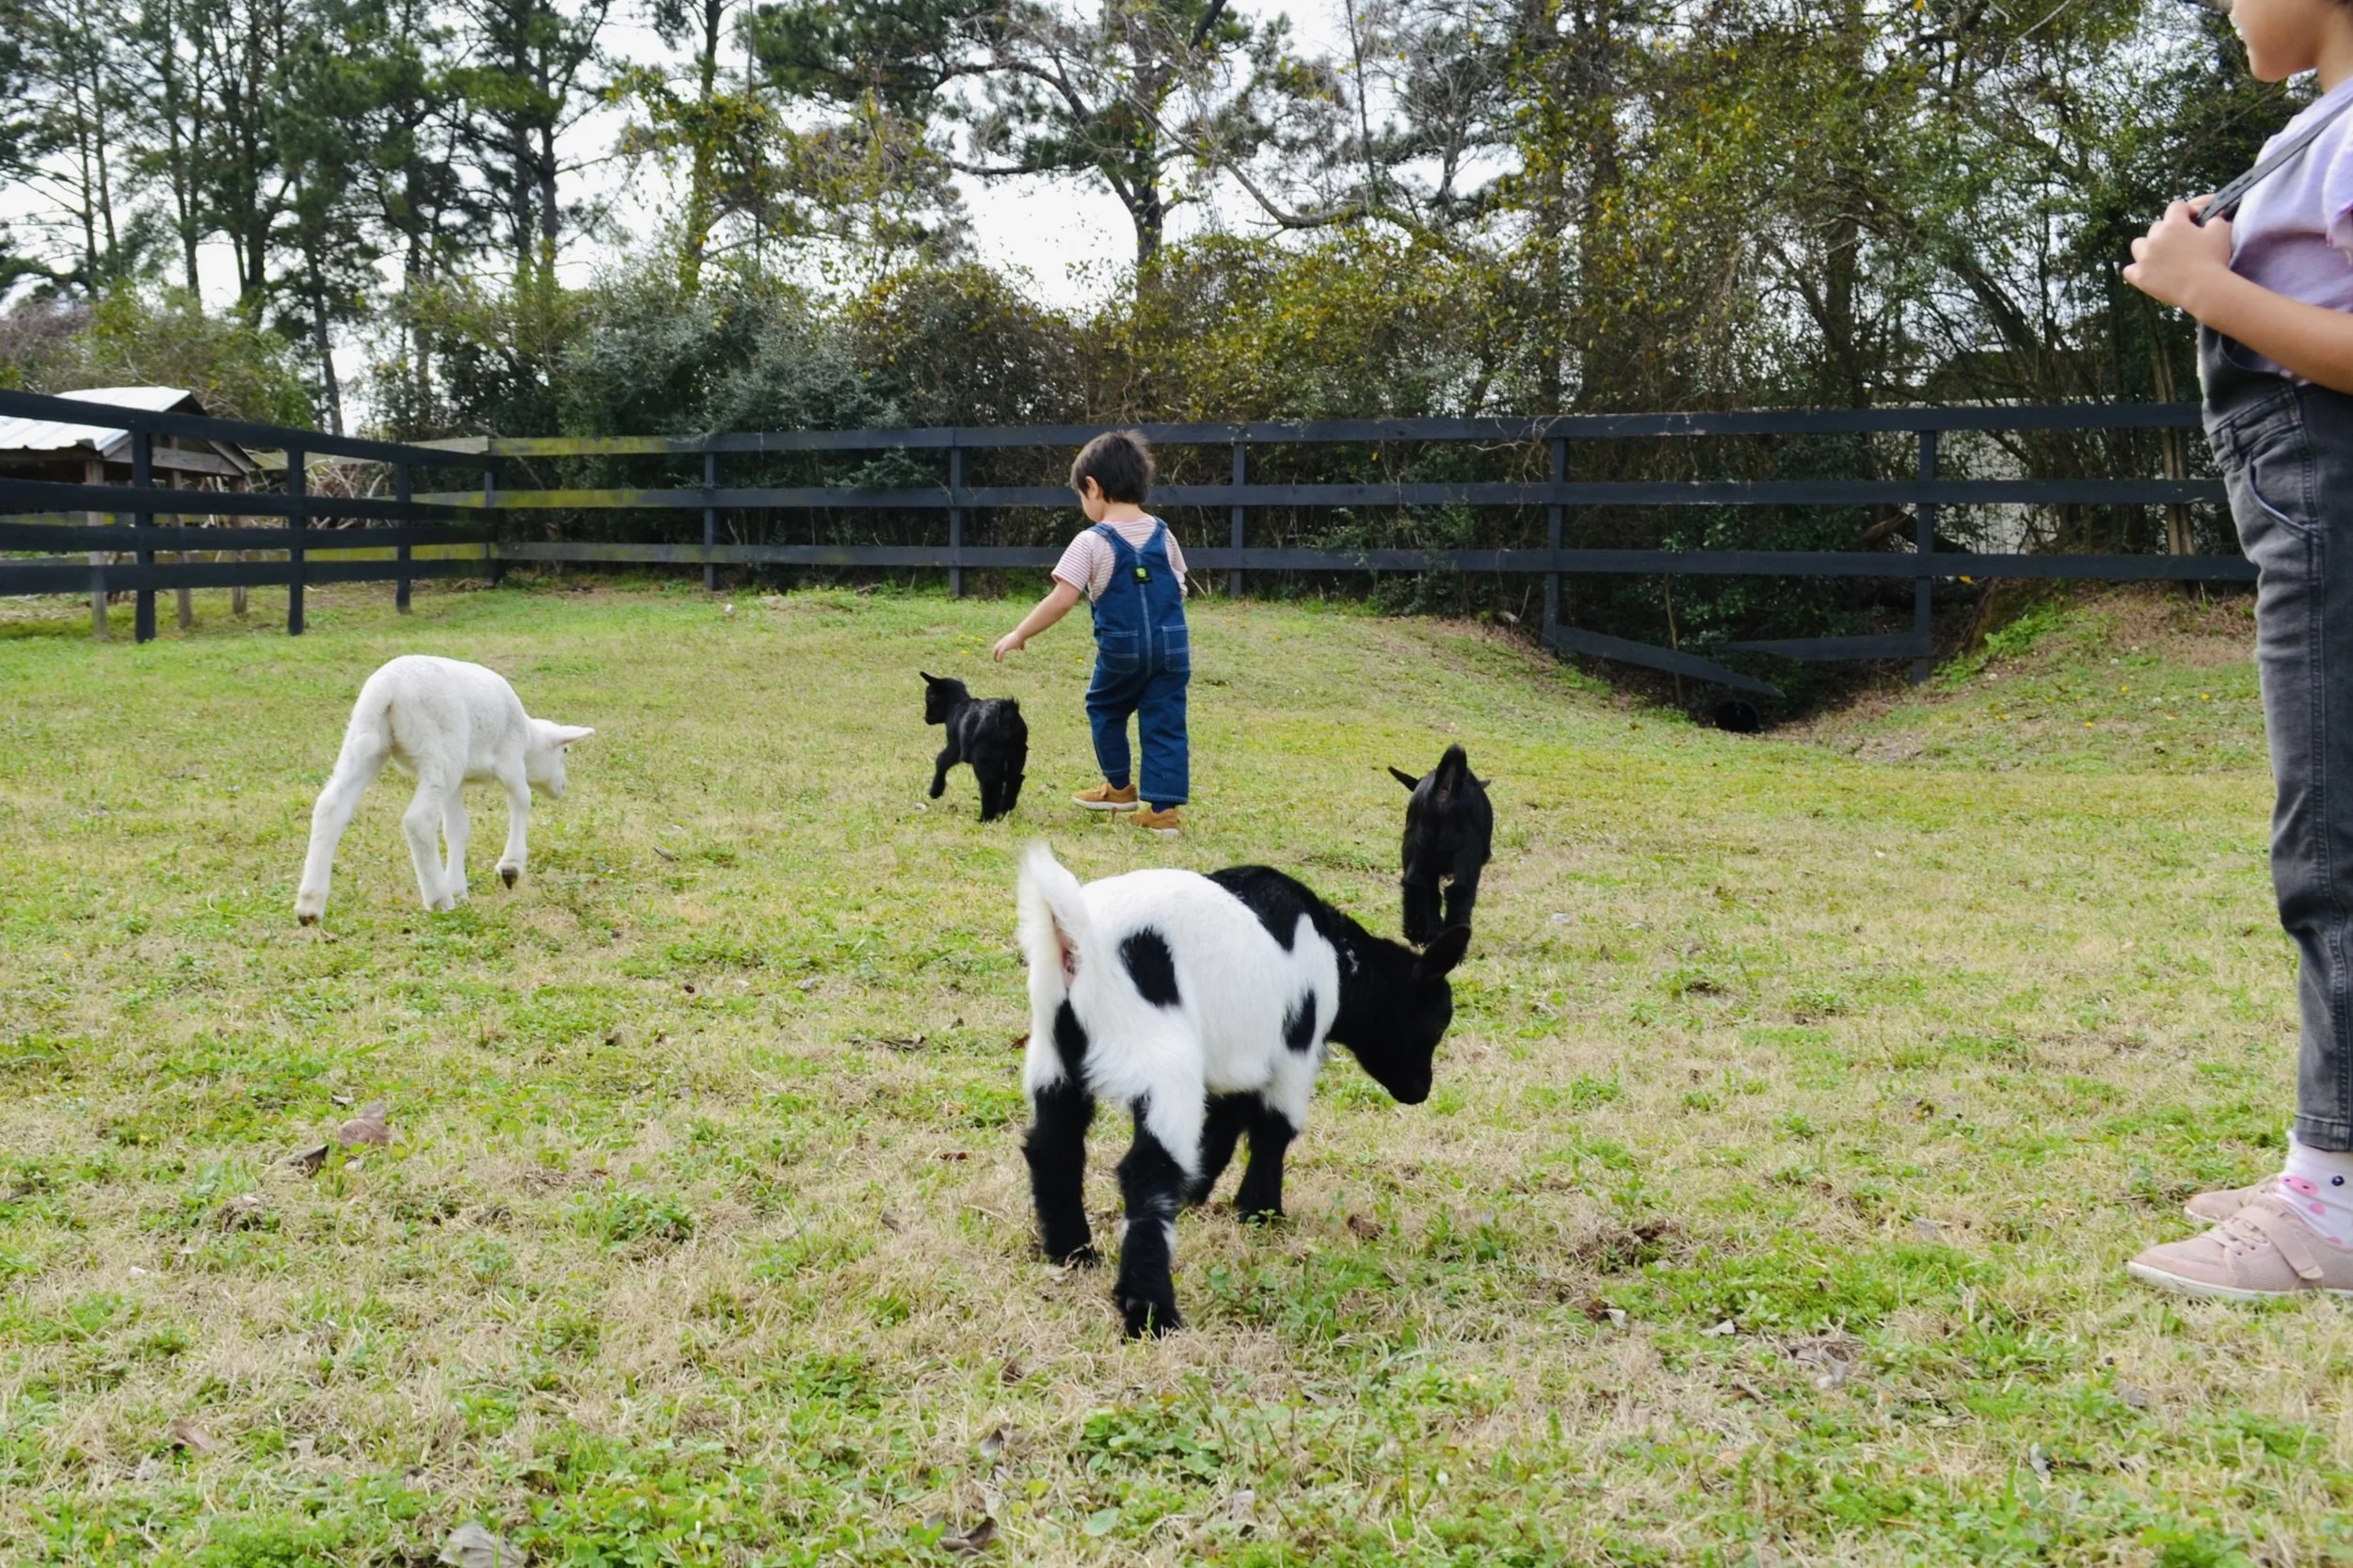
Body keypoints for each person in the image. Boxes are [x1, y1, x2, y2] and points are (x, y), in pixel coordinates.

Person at [2122, 0, 2353, 1297]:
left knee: (2334, 851)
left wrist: (2209, 287)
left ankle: (2333, 1204)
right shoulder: (2315, 133)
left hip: (2333, 521)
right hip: (2310, 519)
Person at [992, 431, 1191, 836]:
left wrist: (1019, 633)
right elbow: (1179, 587)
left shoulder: (1091, 542)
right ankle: (1164, 813)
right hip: (1173, 645)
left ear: (1093, 487)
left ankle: (1119, 788)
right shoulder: (1163, 533)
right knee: (1165, 722)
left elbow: (1062, 598)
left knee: (1104, 708)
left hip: (1122, 649)